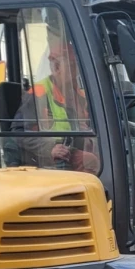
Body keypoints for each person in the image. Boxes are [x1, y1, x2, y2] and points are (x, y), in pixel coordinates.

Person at [12, 39, 100, 174]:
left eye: (76, 65)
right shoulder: (38, 93)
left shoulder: (80, 95)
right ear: (57, 67)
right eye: (72, 65)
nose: (76, 71)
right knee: (90, 162)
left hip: (73, 150)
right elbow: (18, 133)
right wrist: (50, 148)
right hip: (47, 158)